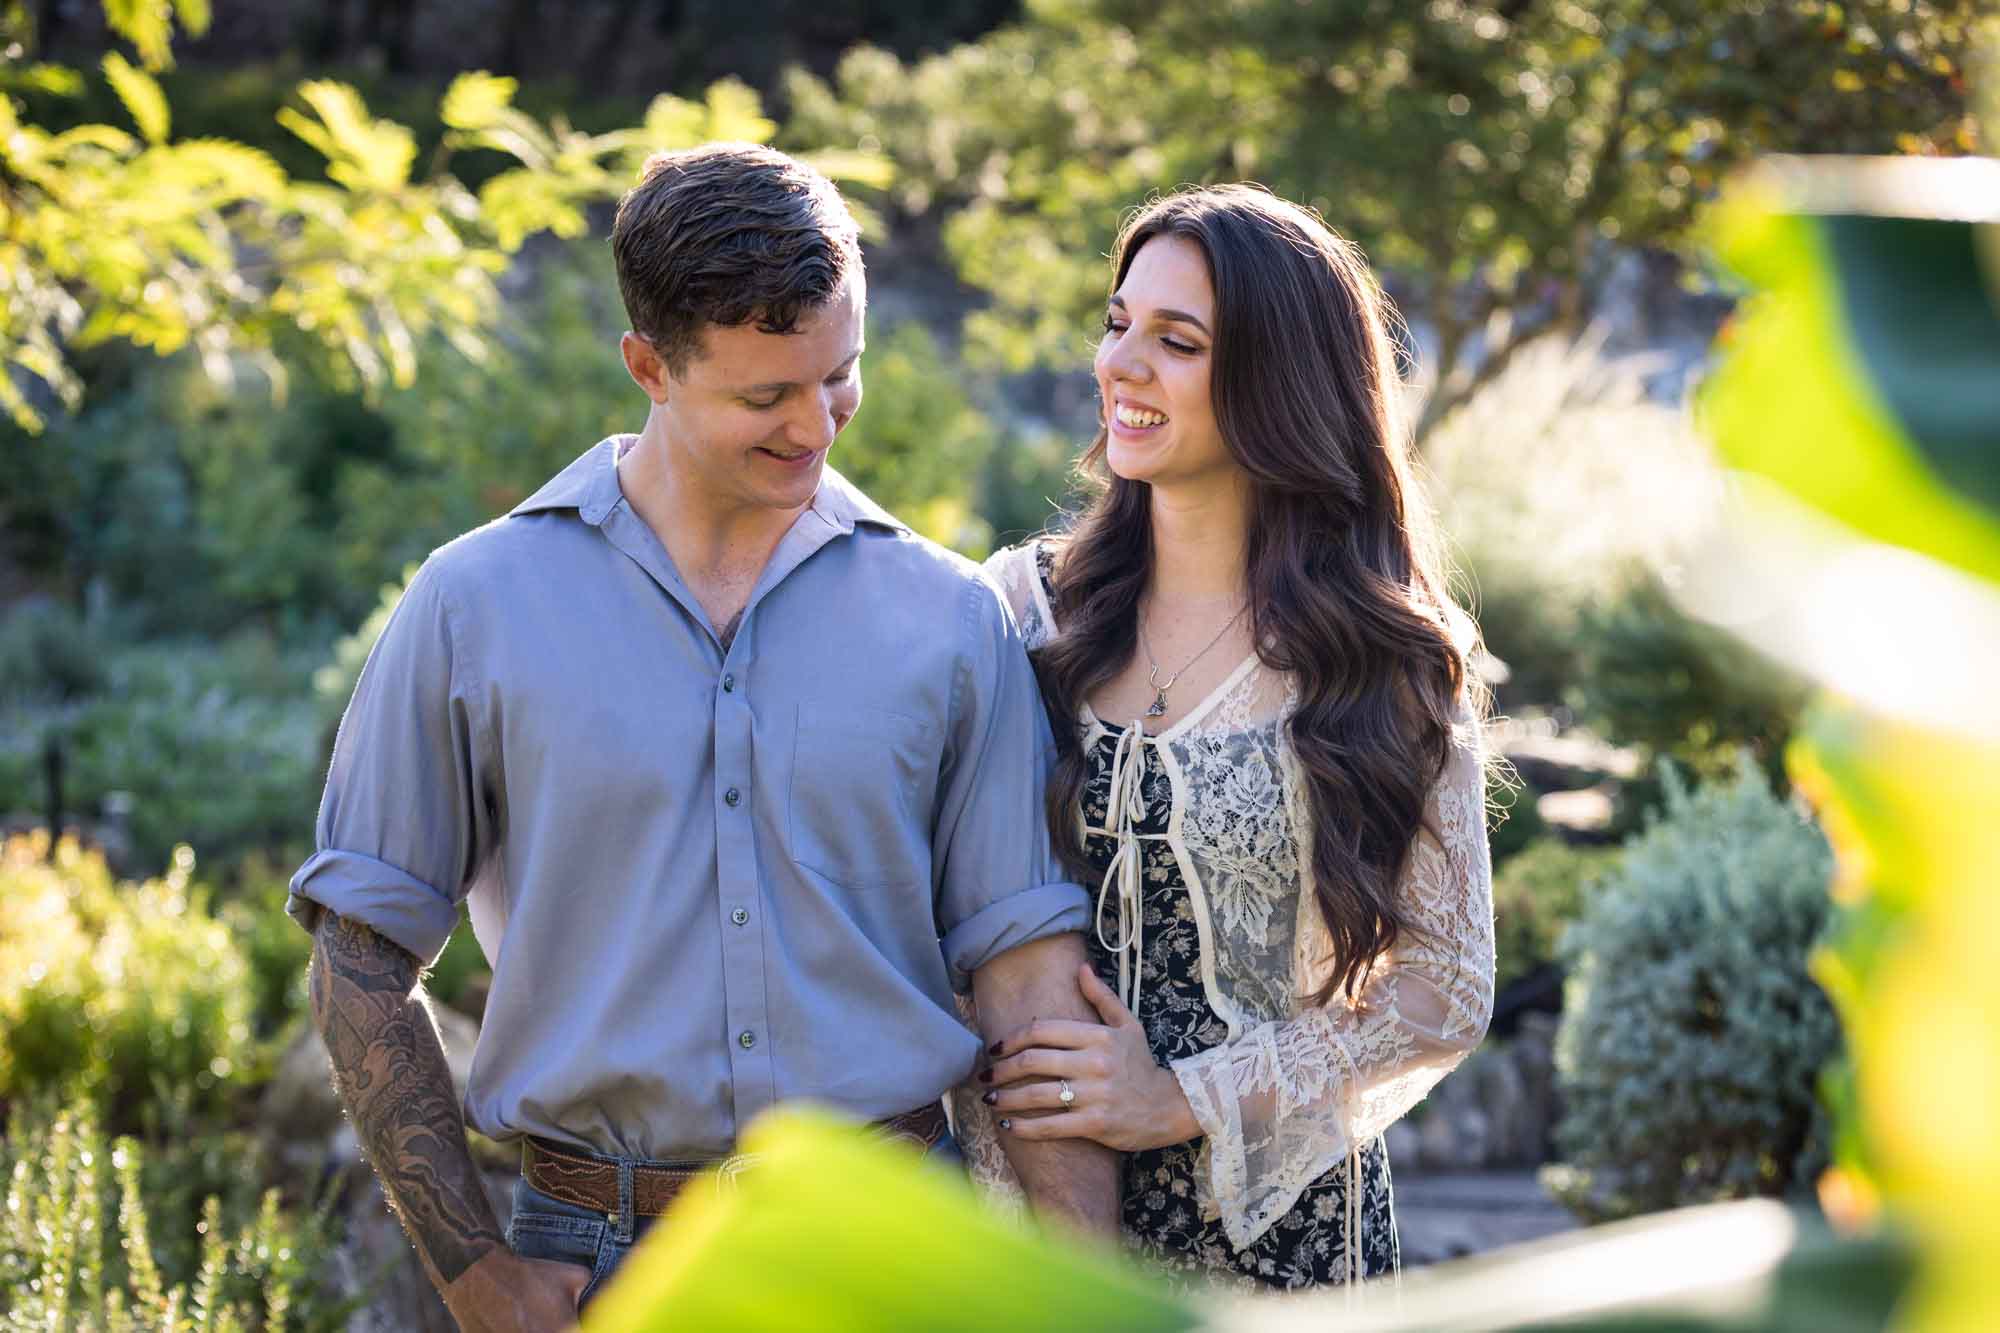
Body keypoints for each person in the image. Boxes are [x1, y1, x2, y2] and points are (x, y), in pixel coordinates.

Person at [287, 142, 1117, 1332]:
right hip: (600, 1269)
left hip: (894, 1252)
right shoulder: (474, 604)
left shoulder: (946, 620)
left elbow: (1027, 986)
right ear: (648, 366)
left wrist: (1072, 1299)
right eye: (763, 396)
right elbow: (360, 956)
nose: (814, 426)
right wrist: (472, 1268)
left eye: (839, 376)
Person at [952, 184, 1496, 1291]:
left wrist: (1178, 1097)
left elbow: (1447, 978)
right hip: (1035, 1229)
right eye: (1117, 324)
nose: (1121, 365)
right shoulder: (1021, 612)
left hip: (1286, 1249)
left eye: (1177, 340)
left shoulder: (1378, 653)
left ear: (1274, 379)